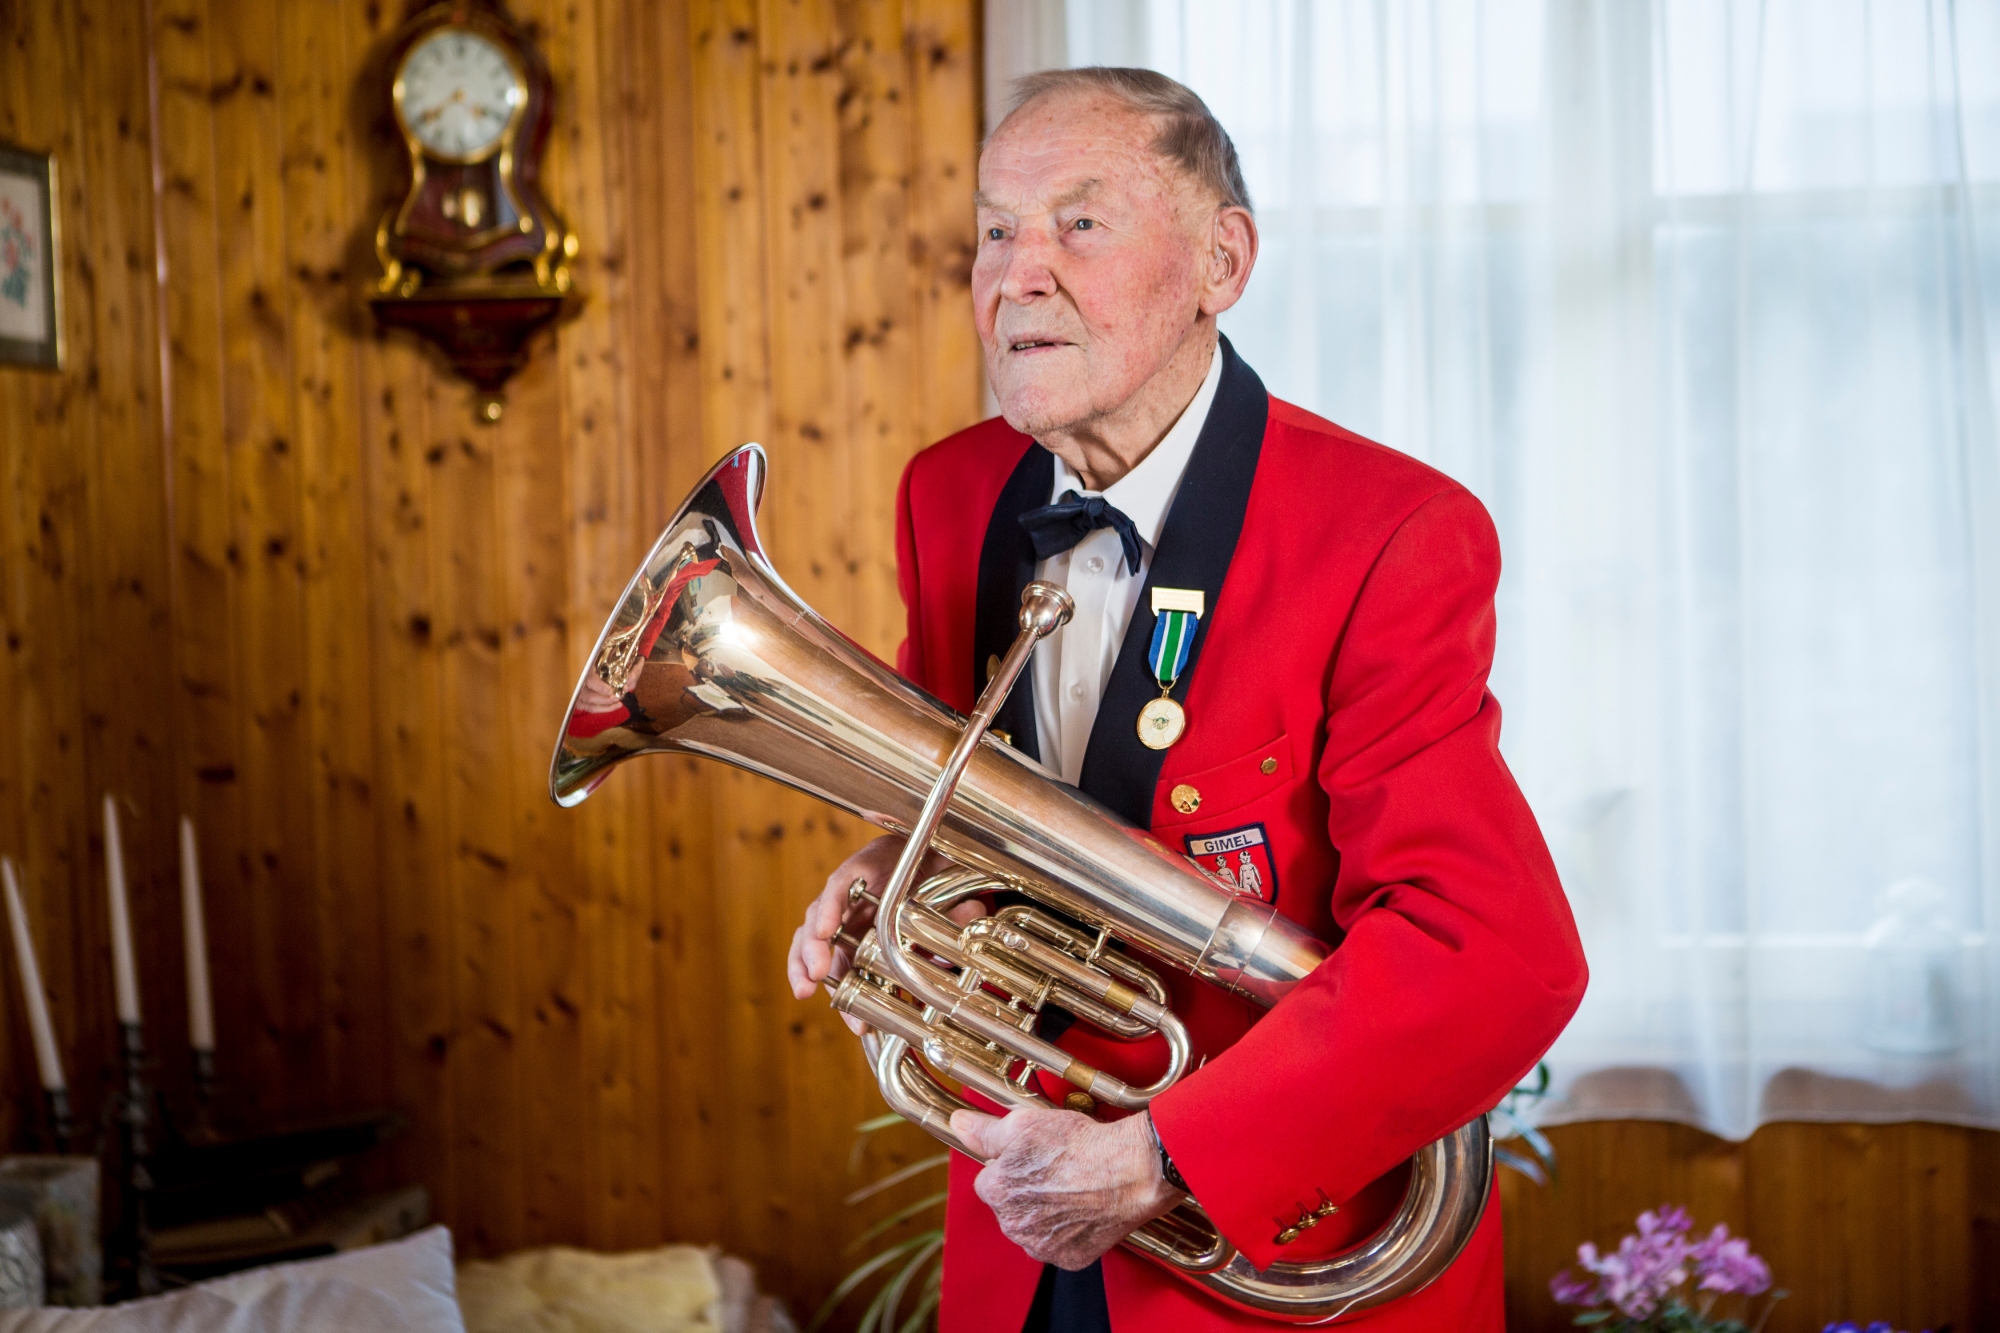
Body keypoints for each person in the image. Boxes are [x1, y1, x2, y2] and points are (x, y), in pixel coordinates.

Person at [786, 67, 1587, 1333]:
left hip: (1271, 1259)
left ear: (1222, 260)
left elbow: (1492, 954)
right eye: (995, 229)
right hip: (1021, 1234)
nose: (1017, 273)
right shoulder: (947, 497)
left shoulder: (1392, 533)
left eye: (1079, 223)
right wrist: (897, 863)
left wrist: (1161, 1150)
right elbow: (966, 803)